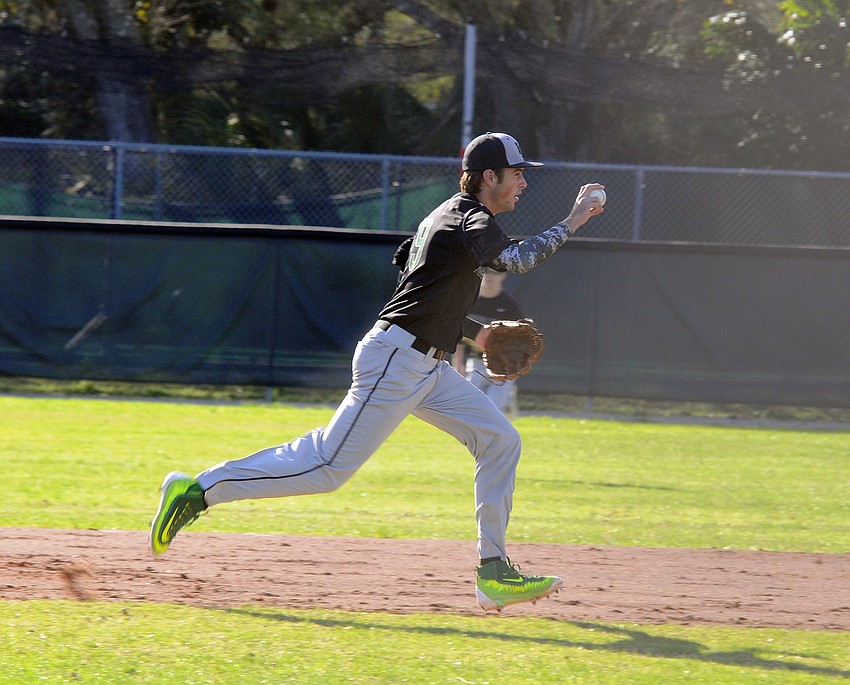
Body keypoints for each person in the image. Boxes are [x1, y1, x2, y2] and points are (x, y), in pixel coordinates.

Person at [149, 131, 605, 612]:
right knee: (327, 466)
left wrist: (479, 333)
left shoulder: (449, 217)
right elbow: (515, 259)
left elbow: (424, 290)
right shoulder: (468, 217)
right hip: (397, 360)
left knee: (501, 440)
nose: (522, 184)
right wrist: (575, 218)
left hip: (423, 364)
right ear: (489, 177)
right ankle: (198, 490)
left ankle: (493, 572)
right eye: (517, 175)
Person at [453, 268, 525, 419]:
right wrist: (457, 362)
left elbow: (521, 339)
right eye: (487, 272)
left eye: (496, 273)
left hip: (503, 364)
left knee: (493, 410)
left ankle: (505, 402)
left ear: (504, 276)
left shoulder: (509, 306)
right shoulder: (470, 300)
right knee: (467, 405)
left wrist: (517, 364)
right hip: (475, 362)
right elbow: (458, 333)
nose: (491, 276)